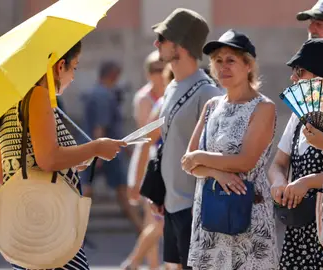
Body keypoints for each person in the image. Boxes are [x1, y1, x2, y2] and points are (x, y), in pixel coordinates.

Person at [0, 41, 128, 270]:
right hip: (51, 228)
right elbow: (48, 159)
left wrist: (72, 162)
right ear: (60, 66)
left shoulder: (11, 104)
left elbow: (3, 175)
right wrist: (96, 147)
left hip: (22, 231)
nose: (73, 76)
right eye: (75, 67)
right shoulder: (39, 96)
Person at [181, 29, 279, 269]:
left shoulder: (263, 107)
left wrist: (201, 158)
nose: (223, 66)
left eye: (231, 60)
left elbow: (245, 161)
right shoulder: (211, 105)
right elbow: (187, 162)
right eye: (217, 61)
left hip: (248, 215)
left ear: (248, 65)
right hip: (211, 214)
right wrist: (216, 173)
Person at [268, 38, 323, 270]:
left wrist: (307, 182)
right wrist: (279, 182)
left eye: (300, 71)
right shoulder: (298, 116)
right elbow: (278, 163)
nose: (293, 78)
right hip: (300, 230)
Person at [148, 8, 222, 269]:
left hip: (196, 210)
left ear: (179, 44)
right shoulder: (170, 88)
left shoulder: (209, 92)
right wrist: (161, 194)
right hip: (171, 206)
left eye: (163, 38)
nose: (156, 43)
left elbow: (219, 155)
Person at [80, 60, 143, 233]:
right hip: (106, 151)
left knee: (88, 188)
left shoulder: (97, 92)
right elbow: (100, 126)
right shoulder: (103, 95)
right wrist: (98, 155)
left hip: (99, 150)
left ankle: (72, 229)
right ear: (113, 75)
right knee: (120, 191)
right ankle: (141, 228)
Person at [122, 52, 167, 270]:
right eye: (156, 69)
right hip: (151, 161)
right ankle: (146, 264)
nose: (160, 74)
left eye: (163, 68)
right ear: (148, 73)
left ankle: (145, 264)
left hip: (166, 161)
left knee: (157, 221)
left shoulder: (170, 93)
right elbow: (146, 138)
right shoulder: (144, 98)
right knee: (154, 219)